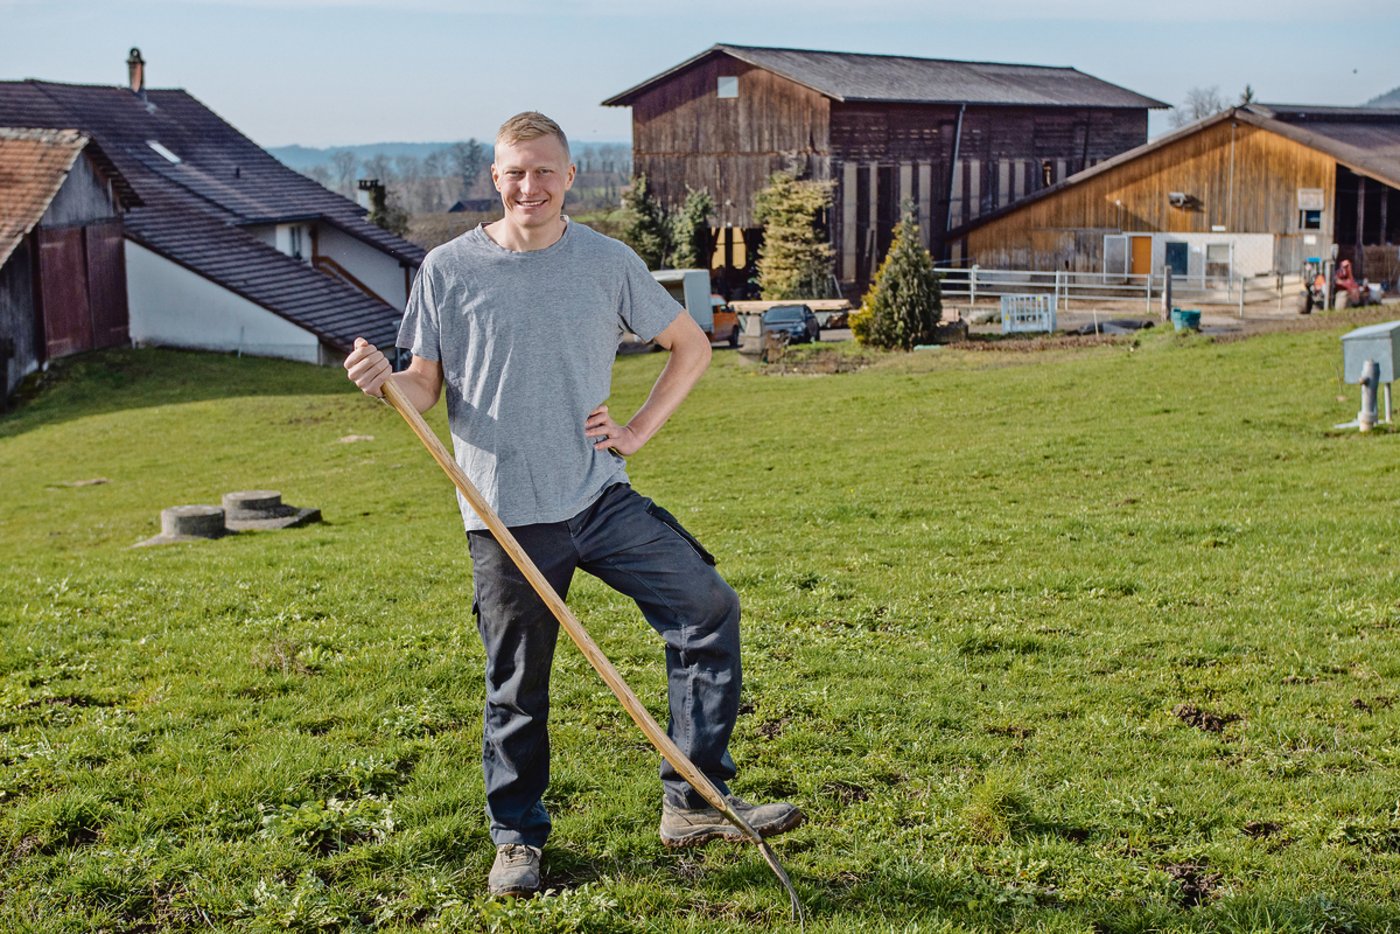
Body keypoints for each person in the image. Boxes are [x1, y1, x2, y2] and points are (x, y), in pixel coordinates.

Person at [343, 112, 802, 898]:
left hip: (598, 498)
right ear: (495, 179)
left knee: (706, 608)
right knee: (518, 685)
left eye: (546, 170)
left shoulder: (606, 261)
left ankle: (693, 800)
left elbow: (689, 345)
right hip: (504, 514)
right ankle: (517, 840)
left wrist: (636, 429)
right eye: (516, 172)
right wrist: (387, 381)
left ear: (570, 178)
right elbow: (424, 384)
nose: (531, 186)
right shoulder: (448, 270)